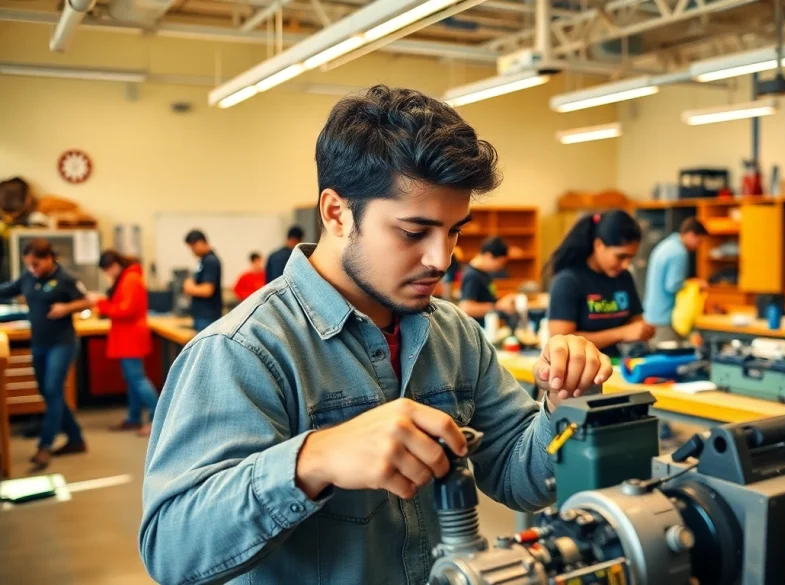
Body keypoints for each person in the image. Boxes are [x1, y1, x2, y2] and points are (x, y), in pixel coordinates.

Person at [140, 85, 611, 585]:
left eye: (455, 231)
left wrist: (563, 409)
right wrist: (313, 459)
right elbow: (172, 550)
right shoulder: (242, 352)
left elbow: (521, 479)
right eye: (413, 232)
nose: (441, 259)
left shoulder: (455, 336)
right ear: (336, 212)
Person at [0, 239, 90, 470]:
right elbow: (8, 290)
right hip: (39, 344)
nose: (33, 269)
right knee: (49, 393)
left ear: (49, 258)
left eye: (36, 264)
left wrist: (66, 308)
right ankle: (76, 439)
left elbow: (87, 302)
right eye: (29, 265)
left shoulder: (65, 279)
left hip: (62, 343)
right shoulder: (29, 277)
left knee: (52, 390)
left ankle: (45, 445)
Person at [545, 210, 654, 357]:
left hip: (620, 367)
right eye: (621, 256)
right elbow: (562, 341)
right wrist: (621, 333)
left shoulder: (624, 277)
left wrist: (643, 330)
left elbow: (635, 322)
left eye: (631, 258)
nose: (625, 264)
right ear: (598, 245)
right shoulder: (568, 281)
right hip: (582, 372)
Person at [89, 250, 159, 437]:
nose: (107, 274)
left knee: (137, 379)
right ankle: (133, 418)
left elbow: (125, 309)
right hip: (126, 336)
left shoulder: (130, 279)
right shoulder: (128, 277)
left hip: (130, 336)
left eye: (108, 270)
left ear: (115, 265)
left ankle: (157, 419)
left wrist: (102, 304)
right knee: (132, 380)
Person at [643, 217, 708, 345]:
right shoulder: (678, 252)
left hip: (651, 315)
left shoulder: (666, 245)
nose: (698, 247)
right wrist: (695, 283)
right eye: (699, 241)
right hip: (664, 318)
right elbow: (672, 285)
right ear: (691, 235)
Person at [458, 236, 517, 325]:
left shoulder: (484, 273)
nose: (501, 267)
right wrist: (498, 306)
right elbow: (466, 308)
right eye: (500, 262)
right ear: (489, 256)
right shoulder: (472, 275)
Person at [182, 230, 223, 332]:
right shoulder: (203, 260)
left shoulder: (210, 261)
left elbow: (207, 290)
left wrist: (190, 288)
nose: (192, 251)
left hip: (207, 317)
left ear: (199, 243)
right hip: (201, 316)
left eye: (192, 247)